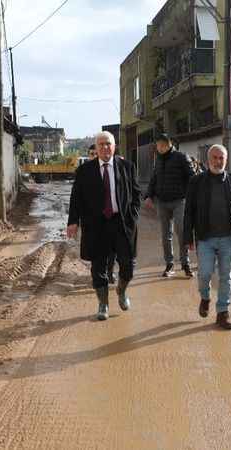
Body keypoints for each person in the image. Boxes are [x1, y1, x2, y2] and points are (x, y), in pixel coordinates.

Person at [67, 131, 141, 321]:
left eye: (108, 144)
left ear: (114, 146)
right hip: (96, 225)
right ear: (96, 148)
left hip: (121, 223)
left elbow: (136, 193)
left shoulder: (127, 166)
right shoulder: (85, 171)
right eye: (101, 144)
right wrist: (73, 221)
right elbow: (76, 198)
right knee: (98, 266)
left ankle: (122, 291)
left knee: (128, 265)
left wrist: (133, 215)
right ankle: (103, 304)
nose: (105, 147)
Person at [183, 144, 231, 330]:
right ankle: (205, 297)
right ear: (207, 159)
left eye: (222, 158)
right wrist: (188, 237)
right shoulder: (197, 182)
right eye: (215, 157)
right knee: (204, 274)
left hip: (229, 238)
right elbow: (189, 211)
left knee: (225, 276)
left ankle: (222, 313)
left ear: (226, 160)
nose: (218, 161)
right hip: (205, 238)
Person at [145, 133, 196, 278]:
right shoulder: (158, 160)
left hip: (179, 200)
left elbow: (192, 177)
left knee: (181, 232)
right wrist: (149, 195)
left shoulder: (181, 157)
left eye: (162, 145)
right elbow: (154, 179)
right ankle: (169, 264)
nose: (159, 148)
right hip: (162, 202)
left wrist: (191, 196)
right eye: (157, 146)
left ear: (169, 144)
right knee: (165, 235)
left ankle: (185, 264)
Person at [88, 143, 116, 284]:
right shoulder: (85, 172)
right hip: (94, 219)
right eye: (91, 154)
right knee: (96, 248)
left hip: (111, 216)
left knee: (112, 248)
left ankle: (110, 272)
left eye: (95, 153)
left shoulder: (113, 168)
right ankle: (97, 273)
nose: (94, 156)